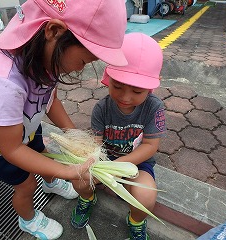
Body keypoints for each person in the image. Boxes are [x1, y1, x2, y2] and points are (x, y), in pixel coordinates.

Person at [0, 0, 128, 239]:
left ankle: (51, 182)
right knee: (26, 185)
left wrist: (72, 133)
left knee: (43, 151)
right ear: (54, 31)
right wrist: (69, 172)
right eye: (84, 62)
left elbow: (49, 100)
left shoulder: (43, 57)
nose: (80, 70)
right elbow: (12, 149)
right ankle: (28, 220)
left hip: (23, 127)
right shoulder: (3, 84)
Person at [71, 33, 167, 240]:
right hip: (104, 162)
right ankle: (88, 199)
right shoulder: (101, 109)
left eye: (137, 91)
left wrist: (119, 167)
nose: (125, 97)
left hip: (137, 164)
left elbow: (150, 146)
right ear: (109, 78)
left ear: (151, 86)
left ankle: (136, 220)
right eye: (117, 86)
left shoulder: (154, 108)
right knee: (78, 181)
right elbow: (97, 144)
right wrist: (92, 162)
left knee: (146, 196)